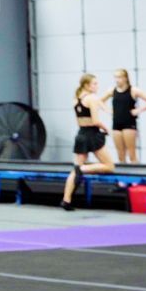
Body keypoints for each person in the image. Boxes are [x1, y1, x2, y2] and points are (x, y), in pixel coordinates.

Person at [60, 74, 116, 211]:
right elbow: (96, 120)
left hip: (81, 133)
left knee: (74, 170)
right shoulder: (92, 98)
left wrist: (107, 98)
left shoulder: (77, 98)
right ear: (87, 85)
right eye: (94, 84)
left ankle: (66, 200)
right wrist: (106, 128)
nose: (97, 86)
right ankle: (83, 169)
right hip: (92, 134)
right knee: (109, 166)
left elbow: (90, 110)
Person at [106, 68, 146, 165]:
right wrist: (109, 111)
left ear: (125, 78)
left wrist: (138, 110)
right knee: (120, 155)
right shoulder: (112, 91)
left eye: (119, 77)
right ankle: (123, 179)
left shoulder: (133, 90)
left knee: (132, 155)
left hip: (129, 124)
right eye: (115, 77)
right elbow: (99, 101)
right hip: (116, 124)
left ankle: (136, 177)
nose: (117, 80)